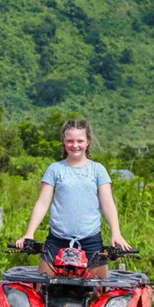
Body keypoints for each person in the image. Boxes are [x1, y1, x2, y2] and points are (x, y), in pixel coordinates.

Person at [16, 119, 129, 277]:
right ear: (64, 141)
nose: (75, 145)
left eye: (80, 141)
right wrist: (29, 233)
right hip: (57, 241)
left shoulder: (98, 170)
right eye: (70, 141)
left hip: (90, 241)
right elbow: (42, 203)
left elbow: (108, 203)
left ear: (87, 142)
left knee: (102, 294)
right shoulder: (55, 169)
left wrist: (116, 233)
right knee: (41, 289)